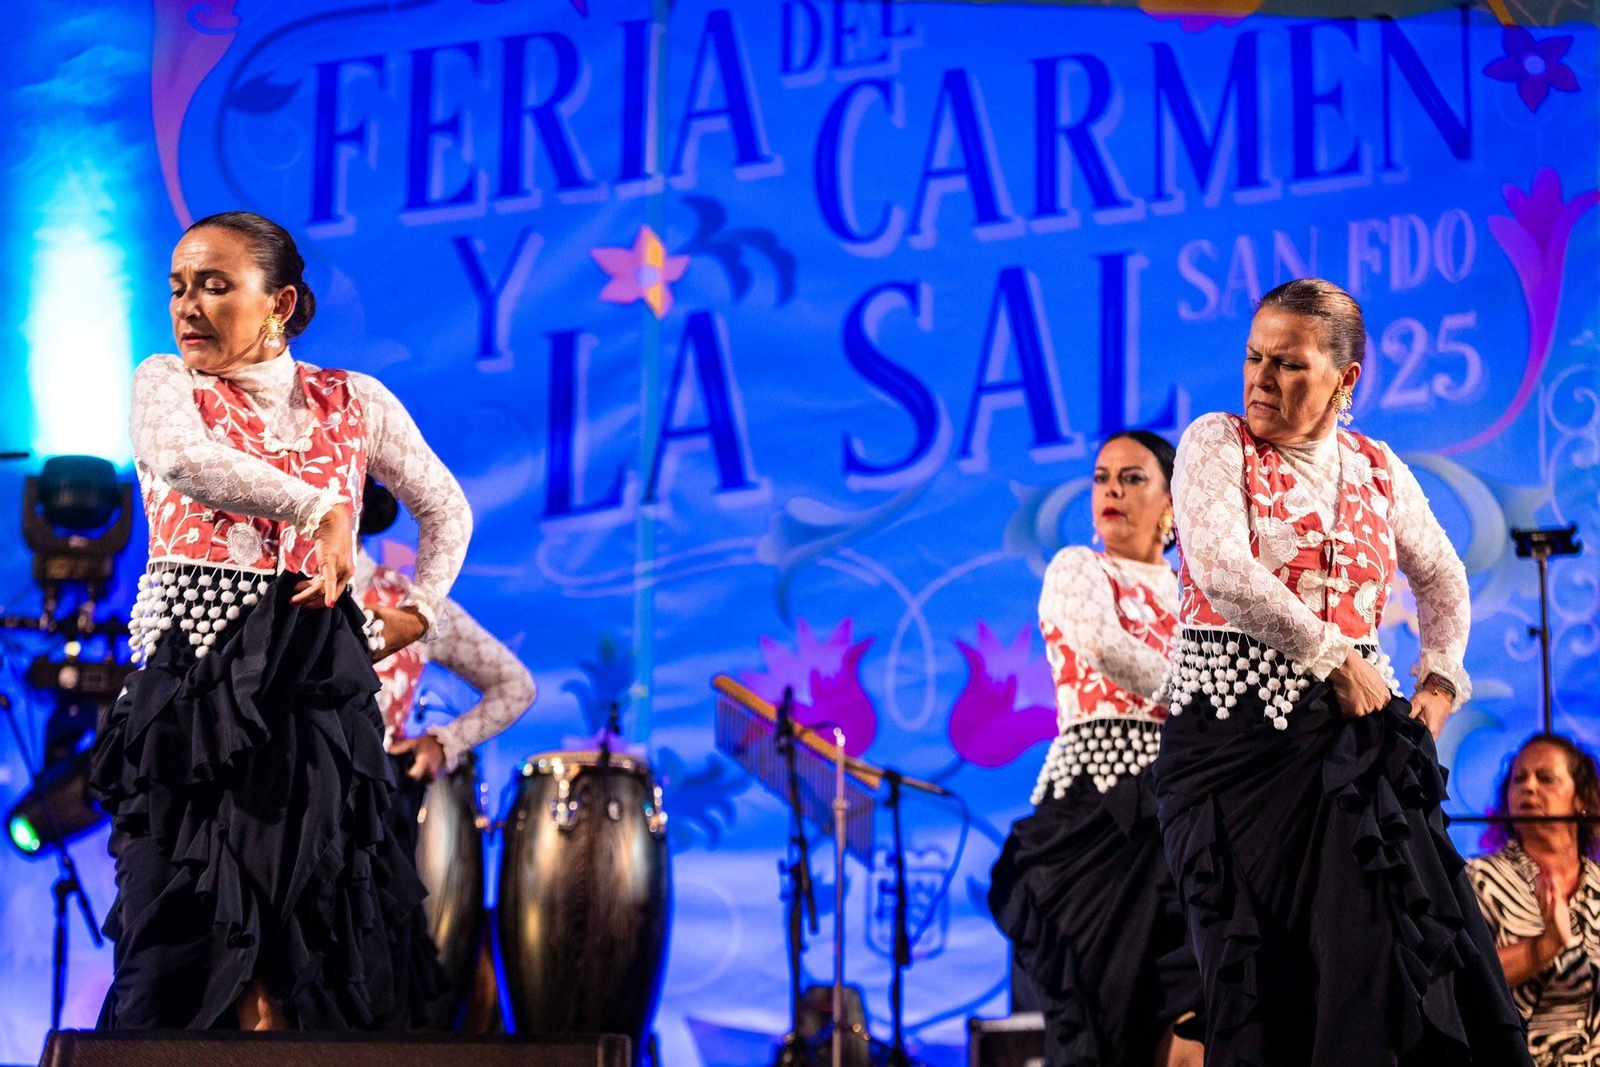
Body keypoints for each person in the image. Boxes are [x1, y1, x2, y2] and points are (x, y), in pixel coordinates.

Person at [92, 211, 472, 1031]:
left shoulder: (355, 400)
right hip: (192, 694)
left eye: (215, 285)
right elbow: (181, 459)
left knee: (296, 963)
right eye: (179, 288)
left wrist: (420, 610)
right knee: (177, 949)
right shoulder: (167, 383)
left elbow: (448, 508)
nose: (188, 306)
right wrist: (318, 508)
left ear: (281, 302)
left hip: (308, 703)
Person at [1152, 278, 1530, 1064]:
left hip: (1353, 758)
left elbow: (1444, 577)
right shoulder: (1215, 443)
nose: (1261, 378)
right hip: (1234, 752)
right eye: (1254, 357)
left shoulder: (1378, 468)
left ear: (1345, 378)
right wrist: (1337, 657)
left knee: (1376, 972)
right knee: (1262, 990)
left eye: (1288, 364)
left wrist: (1439, 682)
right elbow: (1221, 567)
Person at [989, 431, 1203, 1067]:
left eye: (1133, 478)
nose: (1113, 490)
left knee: (1196, 1016)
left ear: (1171, 501)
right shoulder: (1078, 569)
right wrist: (1212, 695)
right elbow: (1106, 648)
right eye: (1103, 477)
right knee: (1105, 1021)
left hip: (1182, 815)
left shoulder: (1200, 597)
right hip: (1097, 819)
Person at [356, 478, 534, 1030]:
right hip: (282, 802)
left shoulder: (408, 602)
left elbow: (515, 685)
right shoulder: (271, 589)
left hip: (372, 809)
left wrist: (444, 740)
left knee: (370, 966)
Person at [1470, 734, 1600, 1065]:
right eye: (1519, 779)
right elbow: (1464, 981)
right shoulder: (1479, 879)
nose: (1529, 787)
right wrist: (1543, 946)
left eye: (1546, 778)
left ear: (1581, 798)